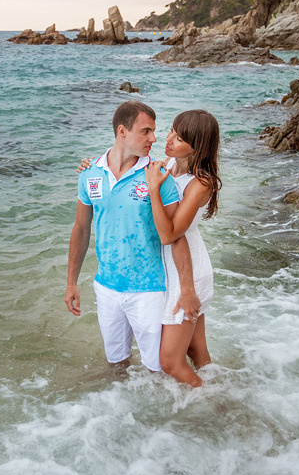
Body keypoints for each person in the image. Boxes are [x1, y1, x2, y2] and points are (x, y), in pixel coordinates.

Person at [65, 100, 200, 373]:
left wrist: (187, 290)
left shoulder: (158, 176)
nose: (154, 138)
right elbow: (81, 228)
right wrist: (71, 282)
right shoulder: (90, 173)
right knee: (116, 365)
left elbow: (175, 236)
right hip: (106, 287)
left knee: (157, 370)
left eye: (154, 131)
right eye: (146, 131)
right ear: (122, 131)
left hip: (149, 290)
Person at [143, 109, 222, 387]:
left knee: (170, 362)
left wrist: (154, 189)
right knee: (195, 349)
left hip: (187, 272)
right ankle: (223, 398)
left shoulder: (201, 184)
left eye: (179, 137)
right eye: (171, 131)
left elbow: (170, 235)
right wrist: (89, 166)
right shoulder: (170, 164)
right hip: (169, 266)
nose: (169, 139)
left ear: (197, 146)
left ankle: (211, 403)